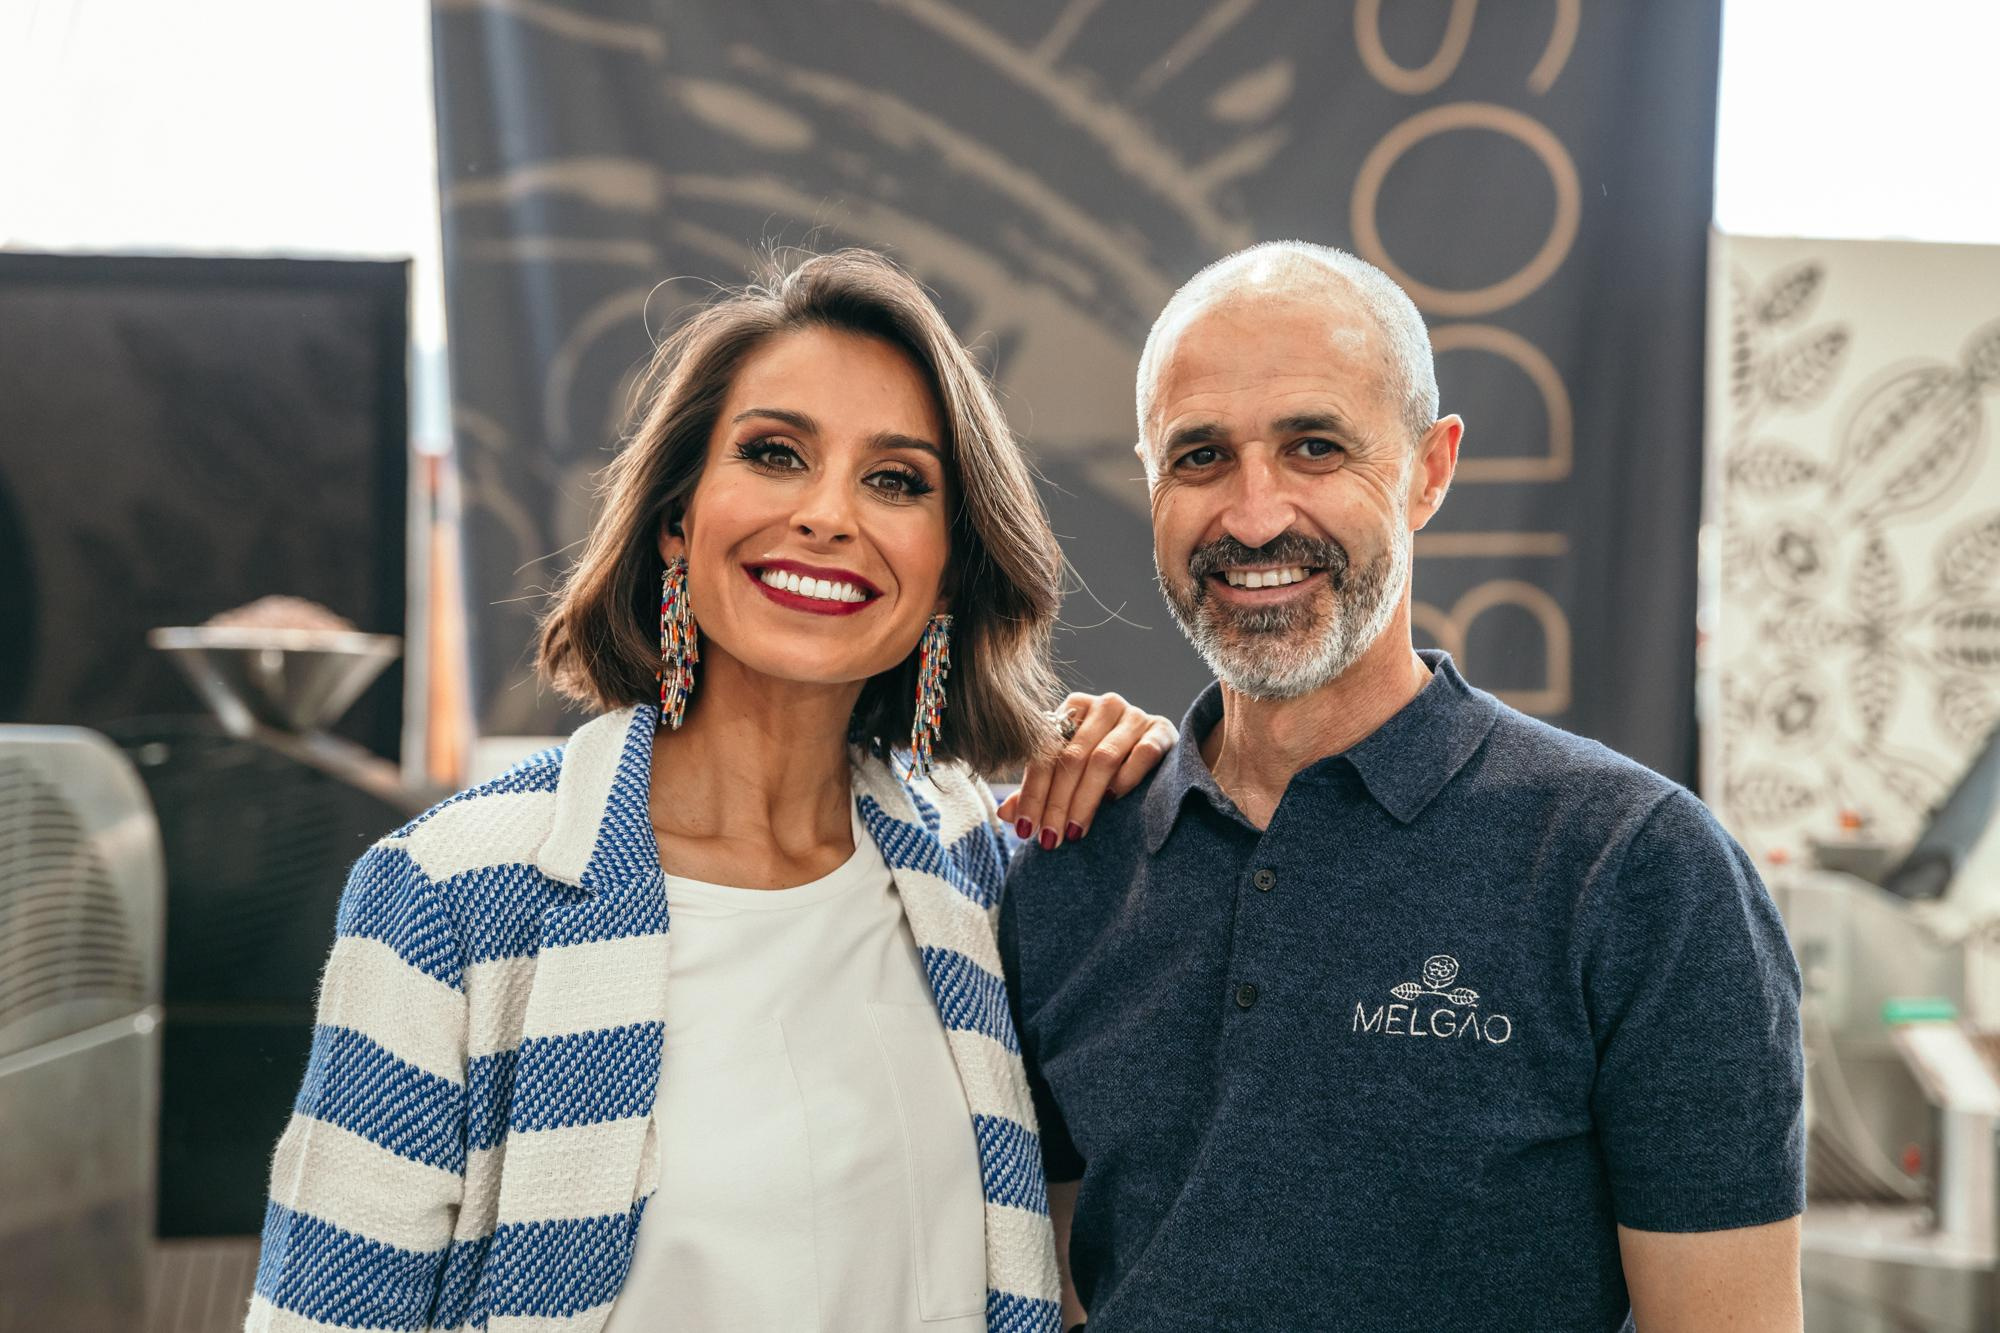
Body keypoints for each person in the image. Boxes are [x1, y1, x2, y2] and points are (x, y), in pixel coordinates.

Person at [247, 249, 1179, 1333]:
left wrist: (1145, 766)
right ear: (675, 522)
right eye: (775, 454)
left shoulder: (973, 864)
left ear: (946, 570)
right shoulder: (450, 897)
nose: (829, 514)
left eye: (895, 480)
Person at [999, 241, 1806, 1333]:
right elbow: (1052, 1290)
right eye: (1197, 458)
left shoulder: (1634, 867)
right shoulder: (1069, 864)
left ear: (1429, 470)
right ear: (1148, 480)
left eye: (1313, 445)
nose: (1250, 515)